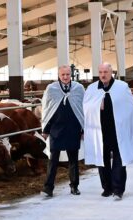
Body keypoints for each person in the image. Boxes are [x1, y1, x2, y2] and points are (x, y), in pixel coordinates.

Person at [83, 63, 133, 200]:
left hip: (118, 130)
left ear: (111, 72)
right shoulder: (91, 88)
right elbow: (86, 107)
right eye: (101, 72)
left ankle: (118, 189)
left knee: (120, 160)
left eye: (106, 72)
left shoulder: (121, 87)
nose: (103, 75)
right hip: (100, 131)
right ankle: (107, 187)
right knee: (103, 160)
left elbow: (128, 107)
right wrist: (96, 105)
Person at [41, 65, 85, 197]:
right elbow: (47, 109)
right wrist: (46, 129)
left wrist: (83, 129)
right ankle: (48, 188)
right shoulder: (51, 89)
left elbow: (82, 109)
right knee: (53, 159)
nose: (65, 77)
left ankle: (74, 186)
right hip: (56, 129)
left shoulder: (79, 88)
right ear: (58, 75)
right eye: (62, 75)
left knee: (73, 160)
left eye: (67, 74)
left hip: (73, 128)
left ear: (70, 74)